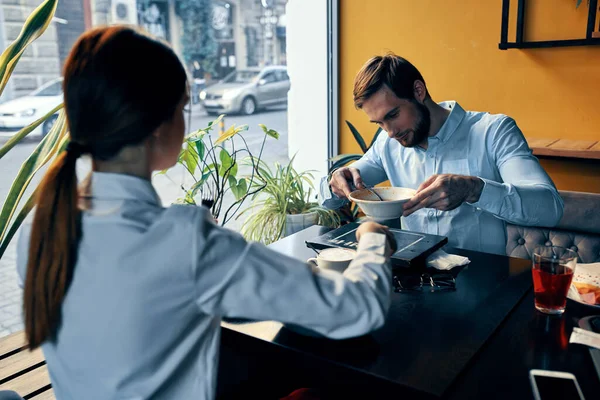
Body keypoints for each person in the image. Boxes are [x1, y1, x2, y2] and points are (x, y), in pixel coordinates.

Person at [16, 27, 397, 400]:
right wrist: (373, 238)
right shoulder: (182, 243)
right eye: (183, 107)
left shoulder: (39, 228)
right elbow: (357, 309)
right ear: (156, 125)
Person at [321, 53, 563, 255]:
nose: (390, 132)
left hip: (483, 287)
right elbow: (334, 189)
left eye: (393, 115)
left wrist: (474, 189)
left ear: (418, 91)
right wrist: (337, 181)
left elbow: (550, 208)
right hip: (411, 286)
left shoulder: (493, 131)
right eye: (379, 124)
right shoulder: (388, 144)